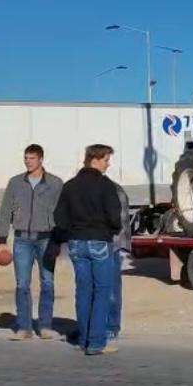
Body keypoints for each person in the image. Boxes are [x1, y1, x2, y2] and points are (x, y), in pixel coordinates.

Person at [54, 144, 123, 356]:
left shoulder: (70, 186)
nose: (108, 164)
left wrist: (70, 233)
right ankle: (96, 342)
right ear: (95, 160)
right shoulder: (106, 185)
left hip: (76, 242)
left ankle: (84, 339)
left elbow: (59, 217)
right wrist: (110, 231)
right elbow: (115, 217)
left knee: (83, 290)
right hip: (99, 241)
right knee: (102, 291)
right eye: (106, 160)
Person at [0, 144, 64, 341]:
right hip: (22, 240)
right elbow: (5, 211)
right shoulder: (15, 182)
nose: (28, 161)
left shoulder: (55, 183)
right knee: (22, 284)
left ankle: (45, 326)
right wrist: (2, 240)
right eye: (26, 158)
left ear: (41, 159)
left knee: (48, 282)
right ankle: (24, 327)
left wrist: (58, 240)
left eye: (32, 158)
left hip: (46, 239)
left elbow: (61, 213)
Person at [107, 181, 131, 343]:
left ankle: (111, 327)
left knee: (111, 290)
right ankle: (92, 327)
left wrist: (122, 246)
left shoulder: (114, 189)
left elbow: (121, 222)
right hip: (94, 244)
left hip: (111, 246)